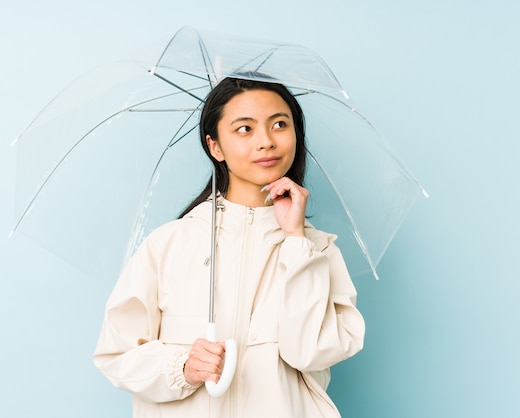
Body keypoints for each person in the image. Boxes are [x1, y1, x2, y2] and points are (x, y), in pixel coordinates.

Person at [93, 76, 365, 417]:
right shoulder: (169, 244)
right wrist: (183, 367)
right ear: (215, 146)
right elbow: (117, 354)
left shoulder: (317, 251)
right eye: (245, 129)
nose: (266, 142)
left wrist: (296, 240)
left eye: (279, 124)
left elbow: (309, 352)